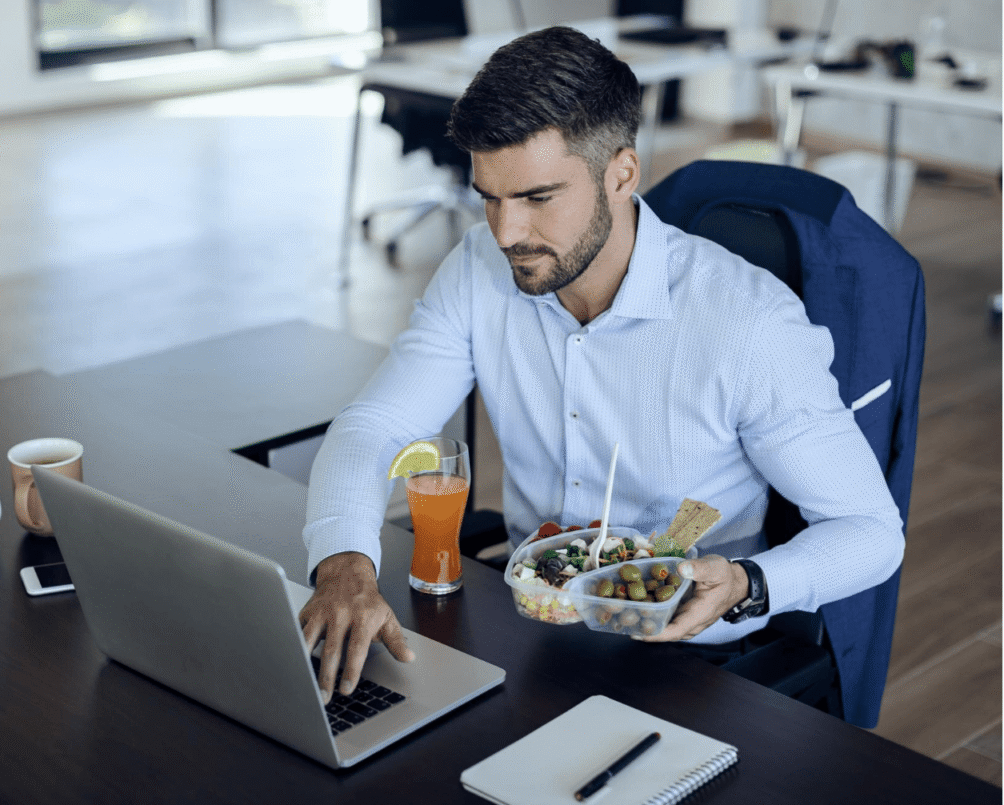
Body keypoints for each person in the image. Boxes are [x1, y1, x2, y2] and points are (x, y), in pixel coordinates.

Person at [298, 25, 904, 703]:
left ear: (621, 173)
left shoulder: (748, 323)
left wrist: (748, 583)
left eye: (536, 198)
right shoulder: (477, 271)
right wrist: (345, 559)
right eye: (489, 197)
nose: (505, 234)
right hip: (533, 631)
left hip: (688, 655)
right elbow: (373, 425)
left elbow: (870, 533)